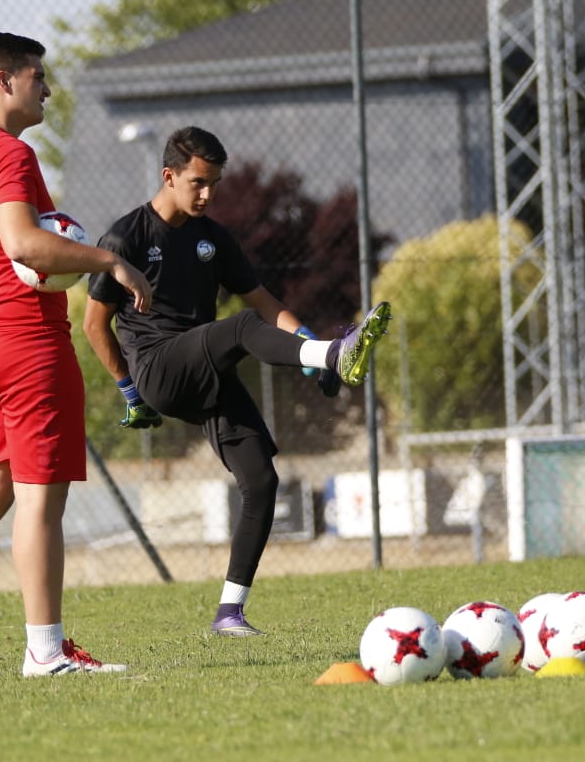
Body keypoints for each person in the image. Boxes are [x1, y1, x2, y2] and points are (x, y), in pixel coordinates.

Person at [83, 125, 391, 637]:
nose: (208, 194)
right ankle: (332, 356)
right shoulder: (126, 237)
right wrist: (129, 390)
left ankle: (230, 612)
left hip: (205, 365)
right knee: (241, 330)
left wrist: (310, 350)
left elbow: (267, 304)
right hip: (159, 368)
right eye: (199, 182)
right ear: (168, 175)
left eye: (216, 183)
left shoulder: (214, 239)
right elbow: (94, 324)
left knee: (261, 481)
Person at [0, 32, 153, 679]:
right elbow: (25, 244)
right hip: (25, 348)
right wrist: (110, 259)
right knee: (39, 503)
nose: (47, 88)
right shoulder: (9, 154)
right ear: (4, 82)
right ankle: (46, 651)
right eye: (38, 76)